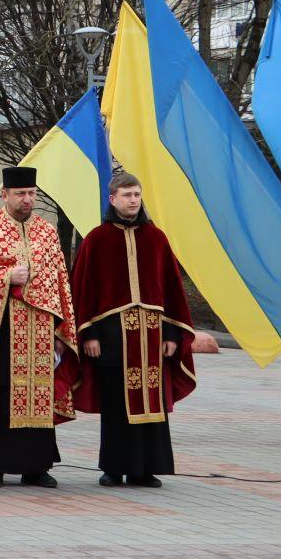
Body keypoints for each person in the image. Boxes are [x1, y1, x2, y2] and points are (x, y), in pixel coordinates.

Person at [0, 166, 78, 486]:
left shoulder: (46, 232)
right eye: (21, 194)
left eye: (32, 194)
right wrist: (6, 277)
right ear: (5, 195)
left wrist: (62, 330)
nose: (27, 199)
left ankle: (36, 467)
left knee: (38, 392)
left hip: (39, 329)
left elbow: (60, 281)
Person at [70, 172, 195, 488]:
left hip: (153, 334)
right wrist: (89, 334)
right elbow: (83, 290)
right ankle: (113, 467)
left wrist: (172, 335)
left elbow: (171, 290)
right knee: (115, 402)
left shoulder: (157, 238)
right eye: (127, 195)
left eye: (137, 194)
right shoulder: (96, 239)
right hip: (111, 334)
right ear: (113, 199)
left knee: (153, 401)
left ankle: (145, 468)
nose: (133, 200)